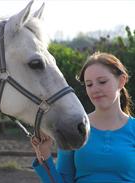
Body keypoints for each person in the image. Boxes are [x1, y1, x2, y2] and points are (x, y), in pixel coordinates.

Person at [31, 52, 135, 183]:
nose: (95, 89)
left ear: (121, 81)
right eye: (89, 84)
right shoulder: (75, 128)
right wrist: (43, 152)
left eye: (102, 82)